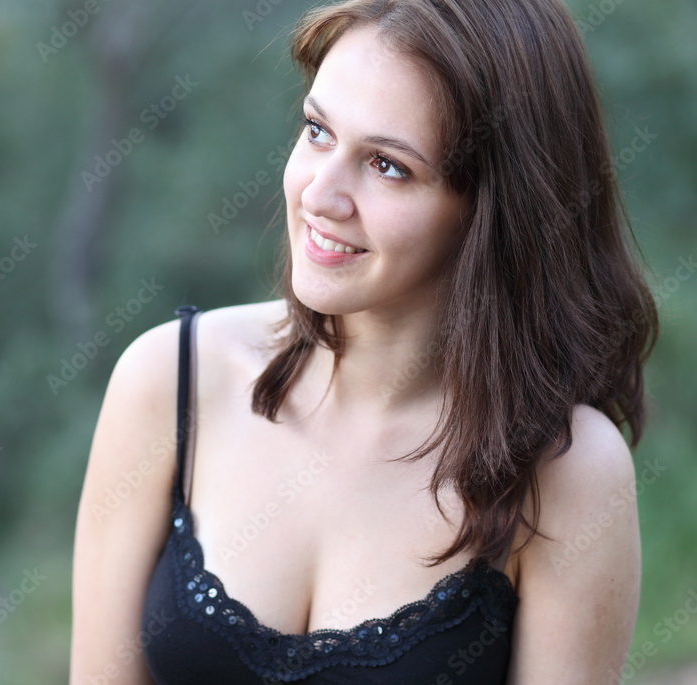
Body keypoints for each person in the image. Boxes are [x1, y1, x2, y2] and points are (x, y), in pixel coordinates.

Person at [70, 0, 658, 682]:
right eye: (317, 131)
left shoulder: (566, 470)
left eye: (387, 166)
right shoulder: (169, 380)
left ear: (493, 210)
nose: (321, 194)